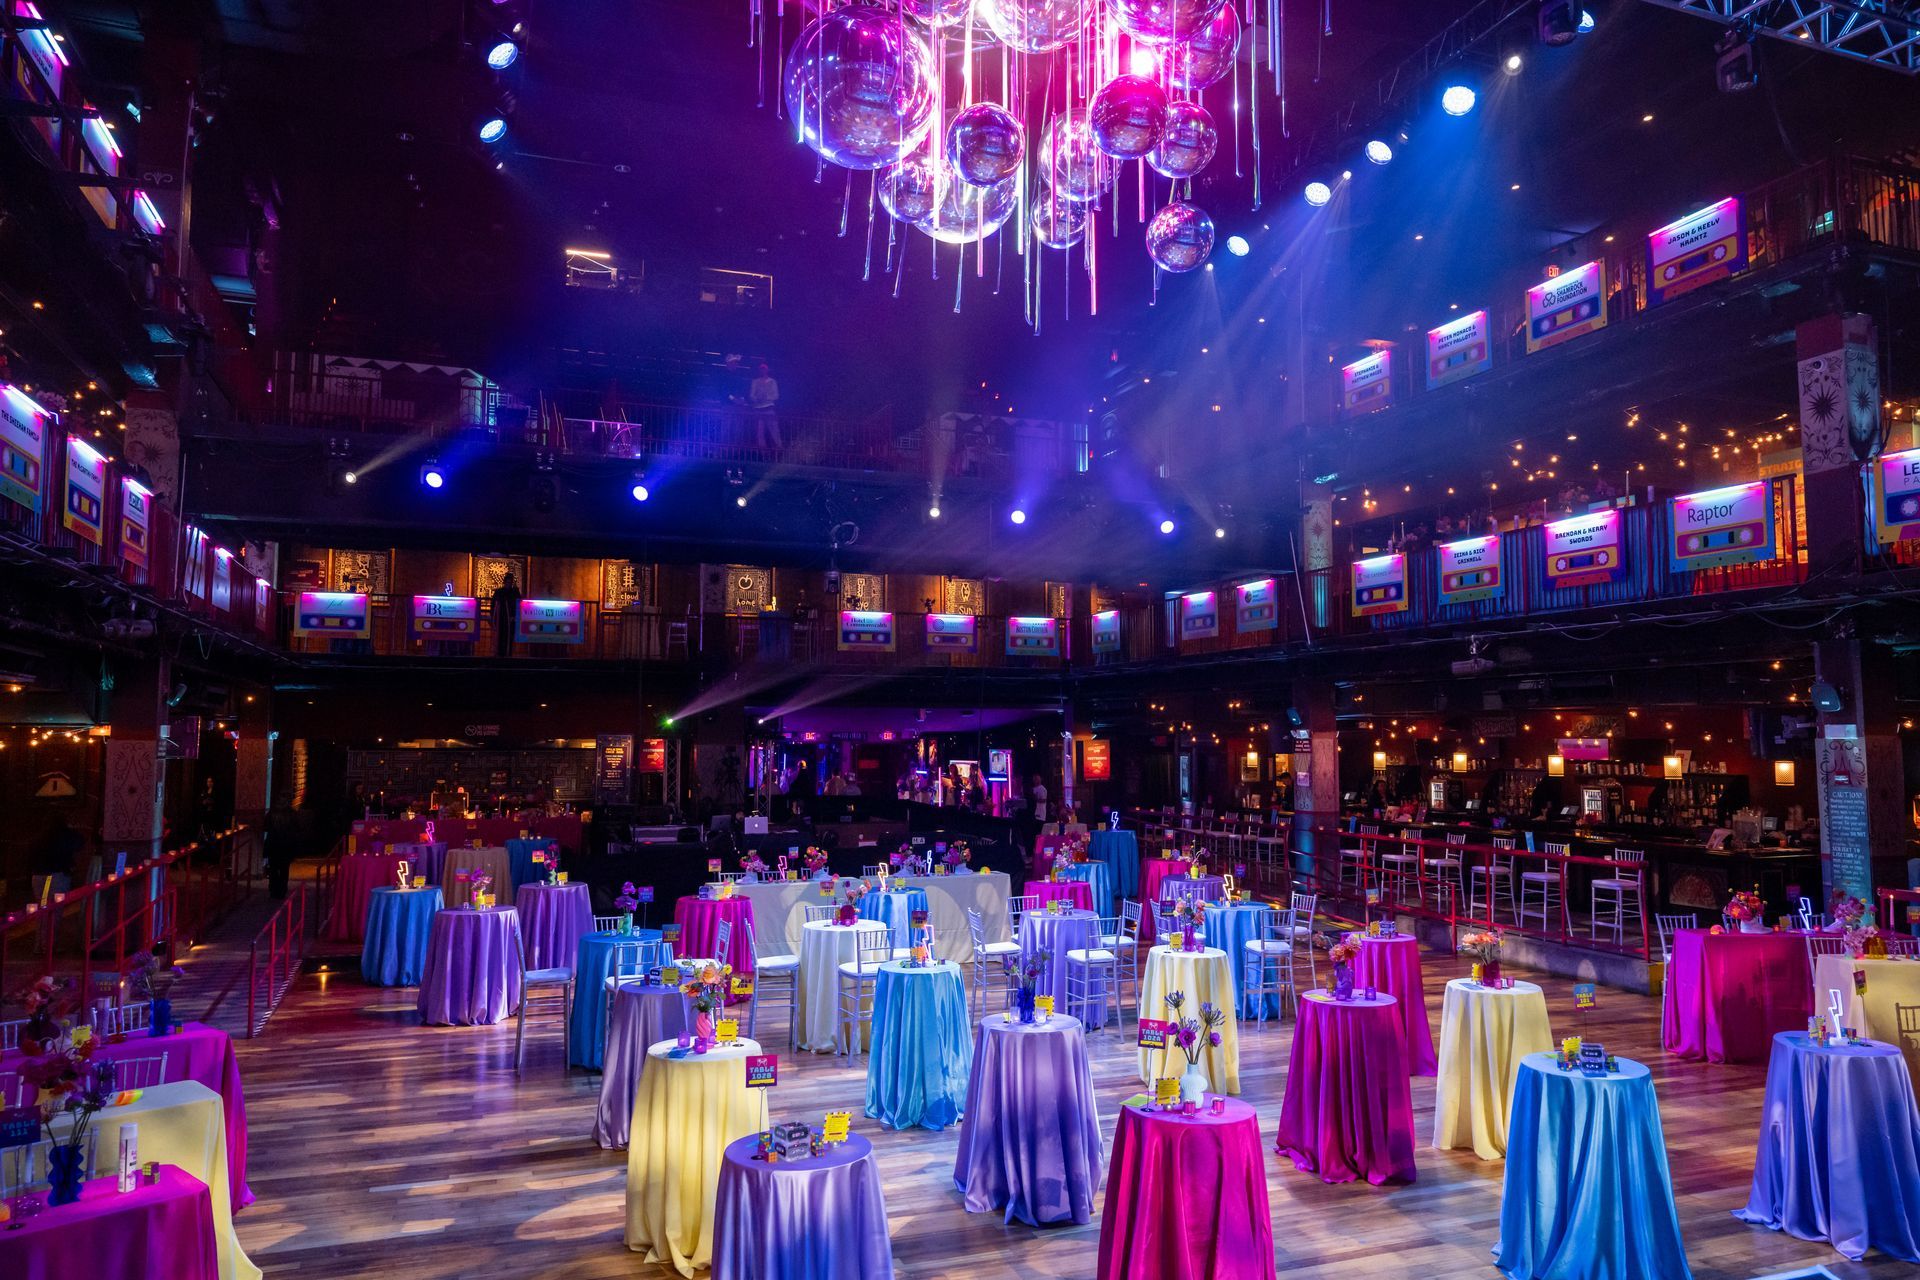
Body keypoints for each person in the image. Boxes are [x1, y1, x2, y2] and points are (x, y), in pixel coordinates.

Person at [31, 814, 83, 902]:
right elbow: (79, 843)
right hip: (56, 875)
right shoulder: (65, 835)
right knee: (56, 905)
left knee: (42, 905)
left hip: (38, 875)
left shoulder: (39, 837)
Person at [748, 362, 782, 452]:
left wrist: (766, 397)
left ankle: (778, 447)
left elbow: (776, 395)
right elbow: (751, 395)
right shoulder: (755, 381)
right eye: (761, 368)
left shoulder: (772, 381)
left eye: (764, 368)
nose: (762, 370)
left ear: (767, 370)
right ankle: (761, 449)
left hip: (769, 407)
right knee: (759, 430)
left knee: (774, 429)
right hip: (758, 408)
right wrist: (757, 399)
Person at [492, 572, 522, 658]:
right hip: (501, 617)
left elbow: (518, 603)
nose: (509, 584)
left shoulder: (514, 592)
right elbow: (494, 605)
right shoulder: (499, 592)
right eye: (507, 582)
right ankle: (499, 654)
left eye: (510, 582)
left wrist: (514, 616)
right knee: (500, 637)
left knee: (509, 637)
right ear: (504, 582)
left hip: (510, 618)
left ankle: (508, 654)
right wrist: (493, 618)